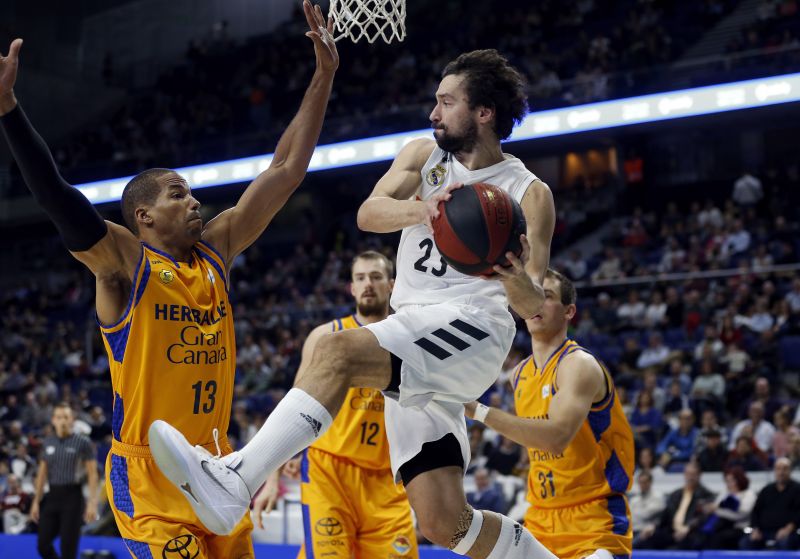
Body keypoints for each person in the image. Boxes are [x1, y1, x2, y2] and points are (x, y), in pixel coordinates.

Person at [150, 48, 558, 559]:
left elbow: (534, 305)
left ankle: (237, 479)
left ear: (484, 112)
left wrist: (512, 272)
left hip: (473, 327)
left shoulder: (528, 192)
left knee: (337, 352)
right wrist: (421, 209)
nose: (433, 113)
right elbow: (368, 213)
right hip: (415, 325)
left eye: (446, 102)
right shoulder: (422, 156)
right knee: (442, 522)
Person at [0, 3, 338, 557]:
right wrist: (9, 108)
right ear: (144, 217)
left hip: (221, 466)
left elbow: (285, 170)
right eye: (178, 194)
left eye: (192, 192)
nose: (194, 201)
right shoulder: (123, 265)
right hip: (148, 477)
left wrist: (323, 76)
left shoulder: (216, 251)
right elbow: (58, 197)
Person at [252, 251, 418, 559]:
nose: (368, 284)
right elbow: (293, 406)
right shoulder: (326, 336)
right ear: (351, 288)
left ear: (392, 285)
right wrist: (272, 476)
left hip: (386, 479)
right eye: (360, 278)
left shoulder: (410, 337)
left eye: (376, 277)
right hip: (330, 471)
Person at [465, 269, 635, 559]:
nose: (535, 302)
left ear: (569, 312)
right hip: (540, 519)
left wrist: (478, 411)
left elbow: (555, 438)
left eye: (547, 296)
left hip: (593, 520)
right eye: (530, 294)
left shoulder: (579, 364)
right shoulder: (518, 374)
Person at [30, 403, 98, 559]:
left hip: (73, 497)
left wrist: (92, 503)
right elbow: (42, 474)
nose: (63, 421)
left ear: (72, 420)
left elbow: (92, 474)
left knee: (68, 550)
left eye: (66, 417)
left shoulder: (83, 443)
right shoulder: (48, 442)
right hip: (52, 496)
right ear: (53, 420)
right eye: (59, 417)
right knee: (43, 545)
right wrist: (36, 501)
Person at [636, 461, 714, 550]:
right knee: (646, 540)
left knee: (686, 543)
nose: (690, 477)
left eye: (693, 474)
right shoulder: (675, 494)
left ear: (699, 475)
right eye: (688, 474)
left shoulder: (706, 495)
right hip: (672, 532)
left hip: (691, 533)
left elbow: (702, 517)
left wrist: (688, 528)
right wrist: (653, 525)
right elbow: (665, 515)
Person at [740, 457, 800, 550]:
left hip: (788, 531)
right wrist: (755, 529)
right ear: (774, 471)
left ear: (790, 471)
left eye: (785, 468)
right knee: (746, 542)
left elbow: (798, 513)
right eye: (778, 469)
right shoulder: (766, 490)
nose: (781, 472)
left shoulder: (797, 489)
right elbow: (756, 511)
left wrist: (789, 528)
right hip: (764, 531)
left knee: (786, 542)